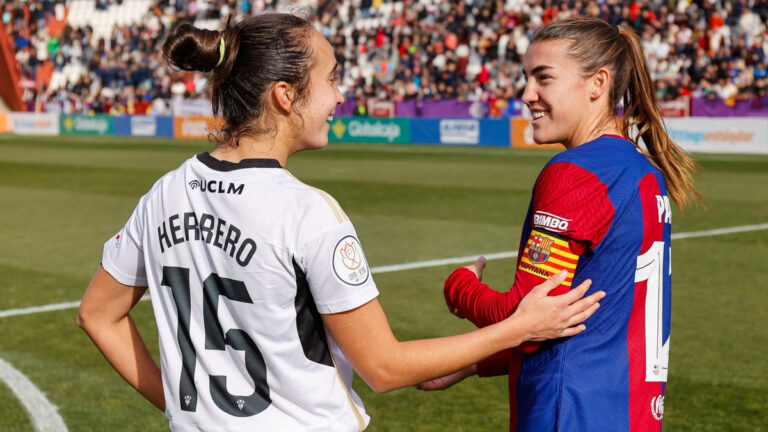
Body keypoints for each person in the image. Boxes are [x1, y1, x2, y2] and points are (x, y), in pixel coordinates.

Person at [75, 13, 605, 432]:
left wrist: (186, 406)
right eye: (330, 79)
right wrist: (519, 327)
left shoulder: (162, 194)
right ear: (286, 95)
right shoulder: (306, 212)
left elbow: (98, 315)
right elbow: (385, 367)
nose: (340, 95)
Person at [420, 17, 700, 431]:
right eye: (526, 77)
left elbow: (523, 319)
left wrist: (460, 288)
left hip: (569, 413)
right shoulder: (642, 171)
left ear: (597, 83)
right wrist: (476, 363)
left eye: (543, 78)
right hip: (629, 415)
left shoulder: (576, 172)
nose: (526, 94)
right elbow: (587, 323)